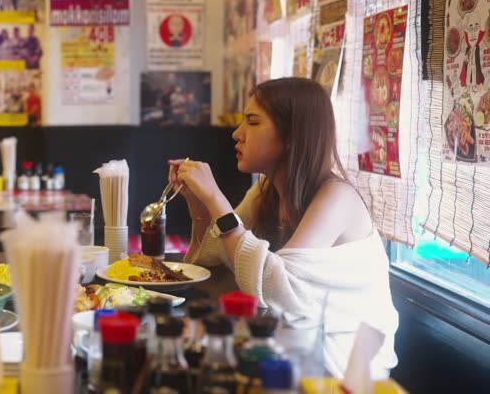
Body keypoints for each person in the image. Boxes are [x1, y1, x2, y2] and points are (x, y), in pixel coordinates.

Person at [169, 77, 399, 378]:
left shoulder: (337, 197)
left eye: (252, 122)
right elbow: (210, 259)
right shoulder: (267, 190)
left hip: (343, 374)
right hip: (293, 353)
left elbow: (277, 287)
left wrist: (215, 198)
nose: (237, 134)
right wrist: (198, 205)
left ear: (291, 135)